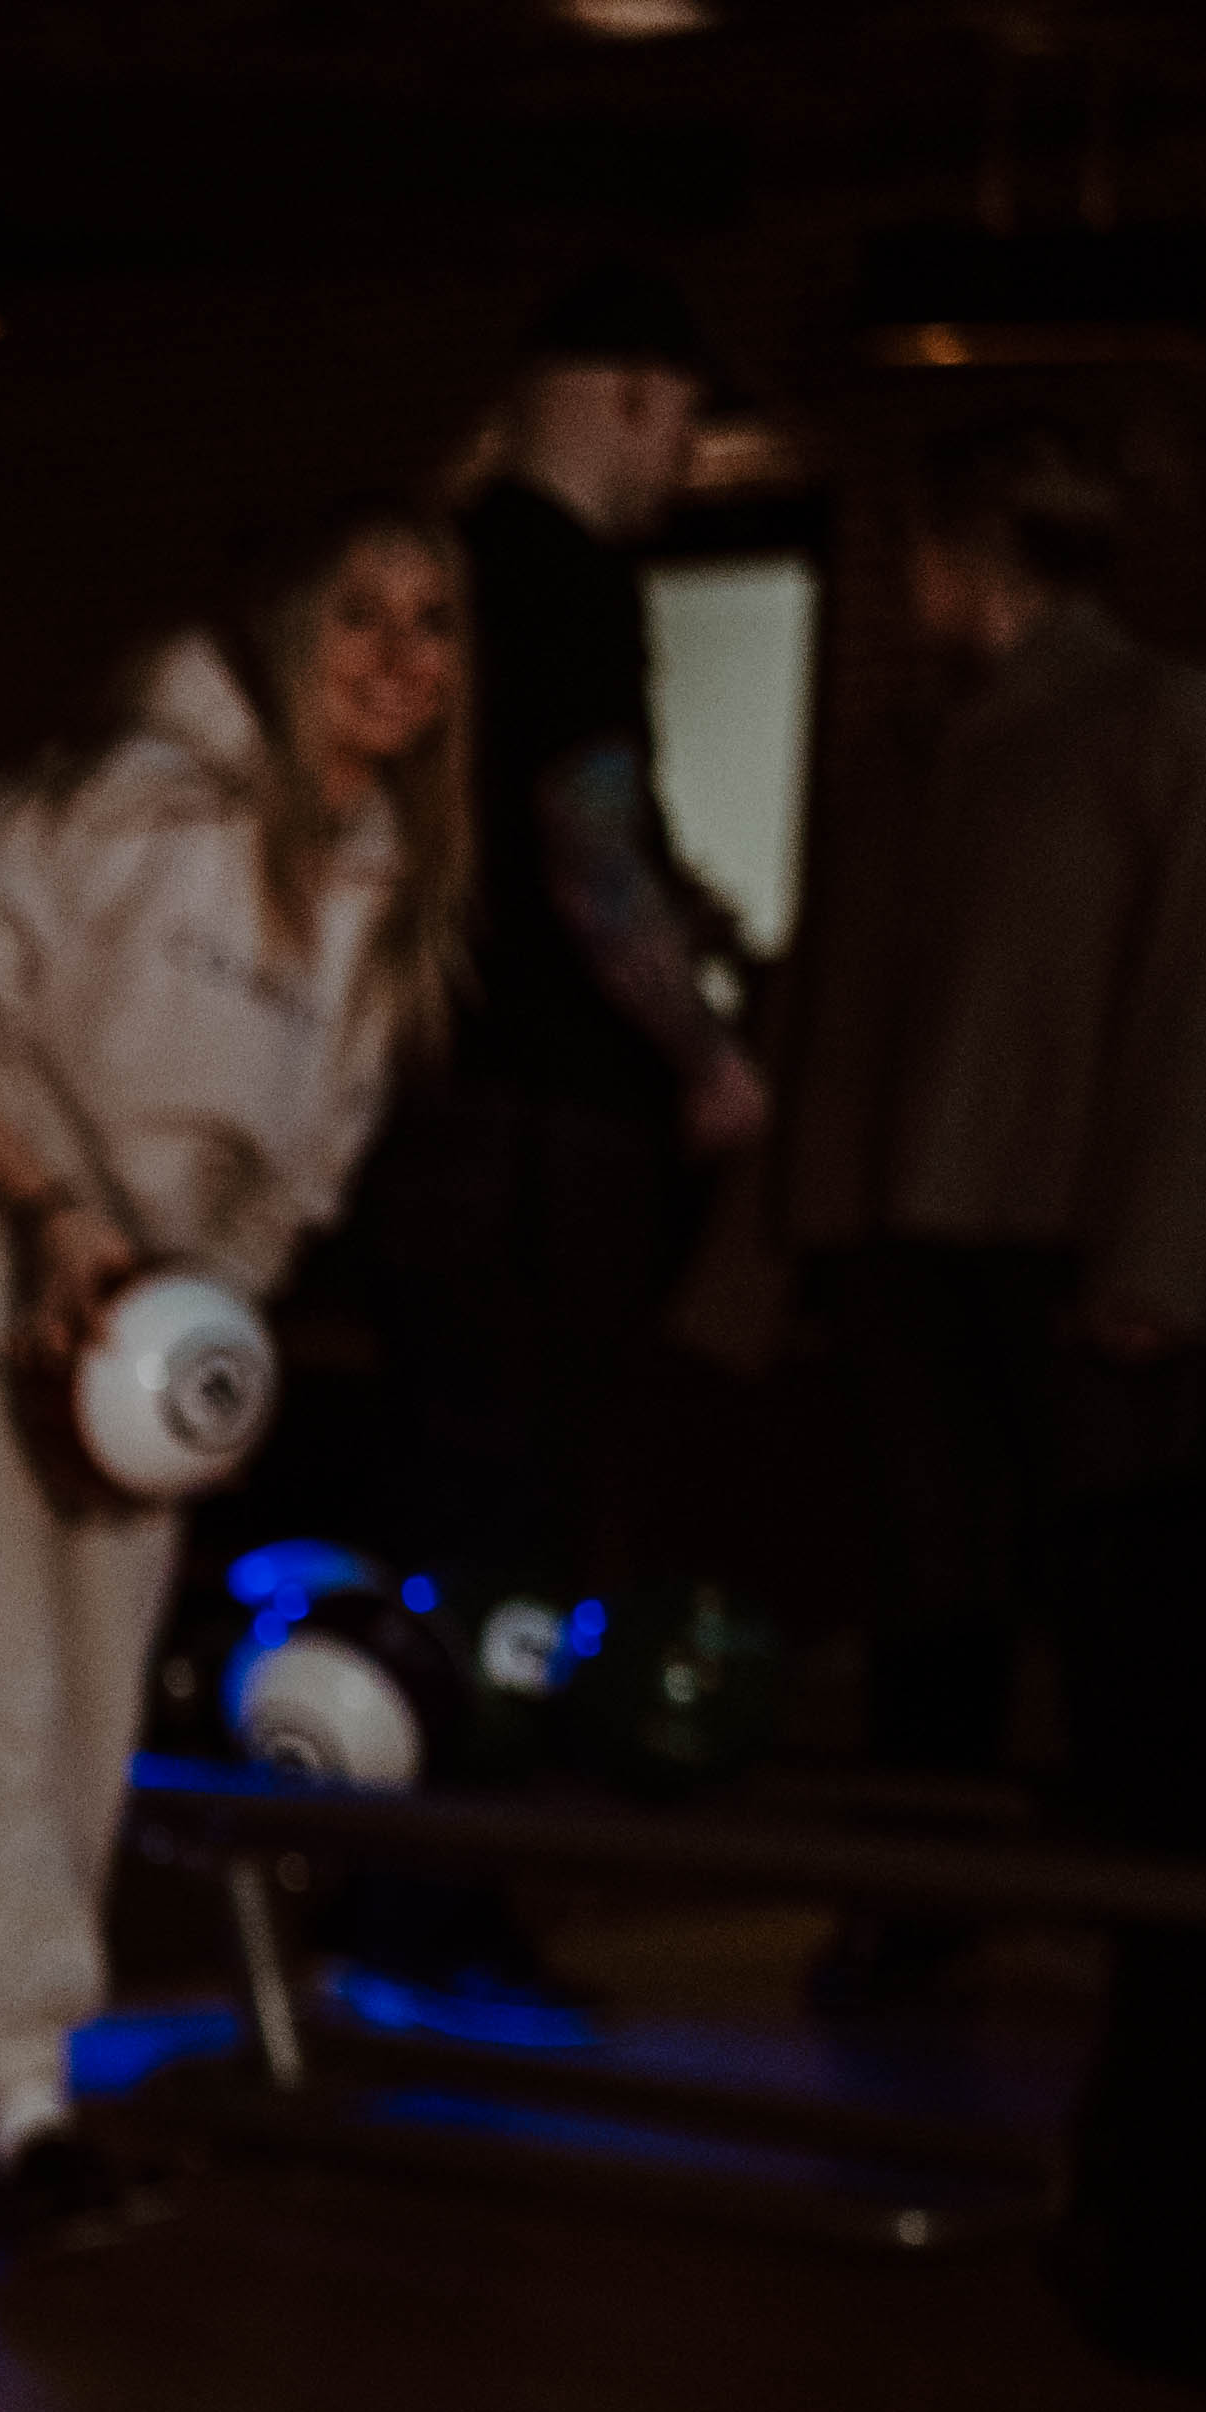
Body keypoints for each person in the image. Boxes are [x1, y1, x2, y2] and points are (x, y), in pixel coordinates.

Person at [0, 510, 472, 2247]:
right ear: (281, 628)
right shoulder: (116, 796)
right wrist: (46, 1220)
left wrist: (198, 1354)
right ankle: (24, 2102)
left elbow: (282, 1188)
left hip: (127, 1333)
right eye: (357, 619)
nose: (396, 656)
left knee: (87, 1712)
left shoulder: (382, 896)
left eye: (431, 625)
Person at [780, 411, 1206, 1986]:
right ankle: (917, 1903)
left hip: (1071, 1234)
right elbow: (835, 1001)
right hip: (906, 1233)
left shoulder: (1157, 720)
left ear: (963, 550)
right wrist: (795, 1237)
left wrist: (1156, 1255)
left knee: (1116, 1597)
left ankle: (1161, 1930)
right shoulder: (901, 751)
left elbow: (1199, 994)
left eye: (913, 548)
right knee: (931, 1597)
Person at [365, 266, 761, 1615]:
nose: (684, 462)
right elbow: (588, 861)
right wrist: (707, 1054)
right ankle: (530, 1778)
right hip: (549, 1129)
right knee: (550, 1482)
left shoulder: (437, 567)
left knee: (451, 1473)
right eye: (681, 427)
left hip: (426, 1089)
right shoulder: (573, 583)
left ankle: (442, 1765)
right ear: (631, 396)